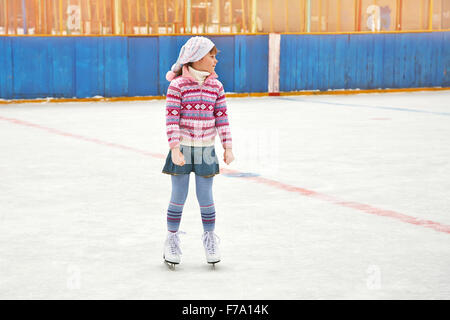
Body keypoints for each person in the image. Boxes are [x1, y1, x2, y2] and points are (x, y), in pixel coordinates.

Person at [162, 36, 235, 266]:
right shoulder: (177, 86)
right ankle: (171, 239)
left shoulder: (216, 86)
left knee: (206, 196)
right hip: (182, 148)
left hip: (205, 150)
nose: (215, 61)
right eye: (211, 56)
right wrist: (174, 148)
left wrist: (228, 146)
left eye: (215, 57)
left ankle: (210, 238)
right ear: (196, 57)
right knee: (178, 196)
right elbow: (171, 118)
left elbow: (222, 118)